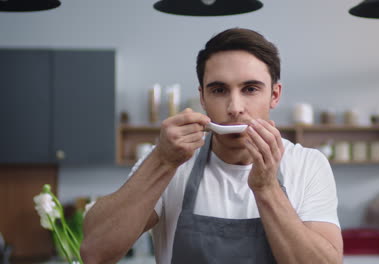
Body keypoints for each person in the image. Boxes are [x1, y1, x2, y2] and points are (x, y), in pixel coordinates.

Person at [80, 28, 343, 264]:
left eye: (250, 89)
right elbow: (95, 253)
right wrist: (162, 161)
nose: (235, 108)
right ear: (203, 98)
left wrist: (267, 188)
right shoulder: (169, 161)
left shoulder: (308, 164)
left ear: (274, 95)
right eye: (219, 90)